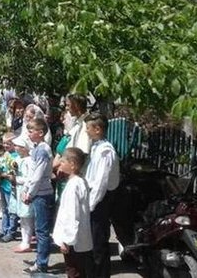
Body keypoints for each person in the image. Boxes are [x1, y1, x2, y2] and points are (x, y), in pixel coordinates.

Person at [85, 113, 119, 278]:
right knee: (93, 241)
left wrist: (91, 205)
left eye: (88, 128)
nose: (86, 132)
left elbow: (101, 182)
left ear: (97, 129)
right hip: (95, 197)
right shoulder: (97, 147)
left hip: (100, 200)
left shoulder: (105, 151)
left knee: (98, 242)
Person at [53, 147, 93, 278]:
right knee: (79, 270)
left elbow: (72, 214)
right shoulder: (79, 182)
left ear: (72, 165)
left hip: (73, 241)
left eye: (63, 162)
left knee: (73, 271)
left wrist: (67, 239)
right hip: (79, 238)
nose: (60, 164)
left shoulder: (74, 186)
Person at [22, 118, 55, 274]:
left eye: (31, 130)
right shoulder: (36, 149)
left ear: (40, 133)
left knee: (42, 231)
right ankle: (39, 260)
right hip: (38, 192)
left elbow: (38, 175)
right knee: (39, 229)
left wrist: (30, 193)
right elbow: (31, 173)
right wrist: (26, 189)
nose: (28, 133)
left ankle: (42, 263)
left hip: (42, 193)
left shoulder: (42, 150)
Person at [0, 133, 19, 243]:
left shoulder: (16, 157)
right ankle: (4, 229)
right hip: (3, 185)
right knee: (4, 209)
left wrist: (2, 175)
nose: (6, 145)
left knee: (12, 210)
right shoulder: (5, 154)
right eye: (4, 143)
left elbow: (13, 173)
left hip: (11, 186)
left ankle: (11, 231)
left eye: (9, 143)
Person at [11, 136, 34, 253]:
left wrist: (16, 179)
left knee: (27, 217)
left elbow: (29, 178)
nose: (15, 148)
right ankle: (24, 240)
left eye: (18, 146)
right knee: (22, 217)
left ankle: (27, 241)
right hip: (19, 190)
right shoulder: (19, 160)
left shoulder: (29, 161)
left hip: (25, 190)